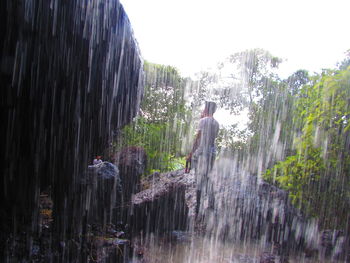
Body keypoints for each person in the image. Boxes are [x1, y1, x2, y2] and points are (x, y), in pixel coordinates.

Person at [187, 101, 219, 215]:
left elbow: (198, 139)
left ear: (206, 109)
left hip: (201, 153)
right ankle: (212, 203)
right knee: (208, 176)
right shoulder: (216, 123)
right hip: (212, 153)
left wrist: (191, 153)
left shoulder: (202, 121)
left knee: (199, 178)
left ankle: (198, 206)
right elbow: (212, 138)